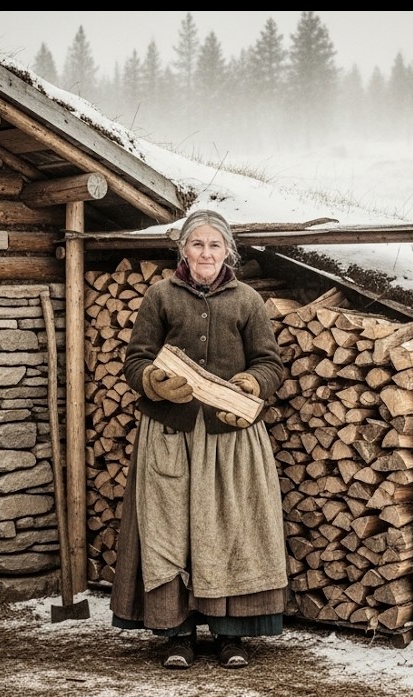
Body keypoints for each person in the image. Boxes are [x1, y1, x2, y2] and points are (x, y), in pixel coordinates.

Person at [110, 208, 288, 670]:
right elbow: (136, 360)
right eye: (196, 244)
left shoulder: (246, 299)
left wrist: (252, 383)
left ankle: (231, 636)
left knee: (231, 529)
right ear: (183, 250)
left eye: (214, 244)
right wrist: (154, 382)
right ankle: (178, 635)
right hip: (171, 435)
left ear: (228, 251)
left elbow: (270, 363)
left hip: (230, 436)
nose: (205, 253)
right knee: (172, 529)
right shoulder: (159, 296)